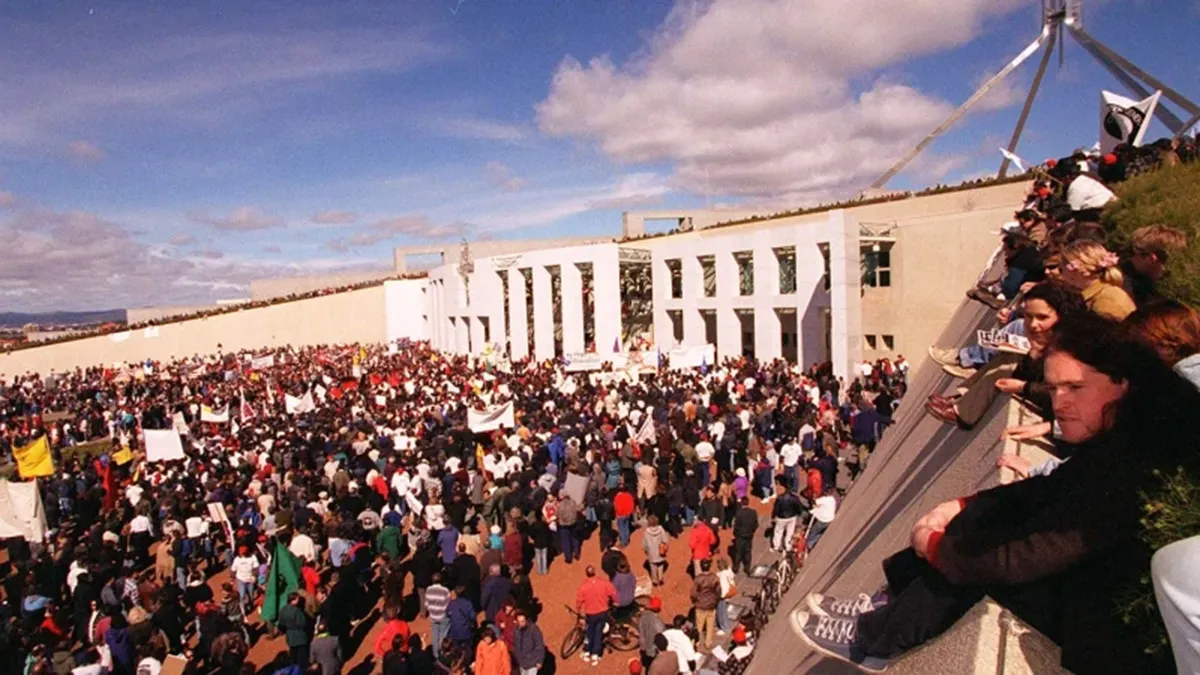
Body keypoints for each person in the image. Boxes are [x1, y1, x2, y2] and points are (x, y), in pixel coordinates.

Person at [795, 315, 1200, 673]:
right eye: (1054, 387)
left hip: (1121, 640)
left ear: (1122, 382)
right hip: (1116, 597)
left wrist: (937, 545)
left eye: (1075, 387)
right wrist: (963, 504)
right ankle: (887, 609)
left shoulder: (1139, 456)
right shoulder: (1132, 428)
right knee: (981, 522)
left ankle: (873, 640)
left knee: (978, 555)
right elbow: (1050, 489)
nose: (1059, 403)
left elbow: (1021, 557)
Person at [576, 565, 617, 666]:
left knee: (589, 632)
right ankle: (596, 654)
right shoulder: (604, 583)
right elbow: (613, 593)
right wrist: (615, 602)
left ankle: (587, 651)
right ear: (595, 572)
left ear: (586, 574)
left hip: (590, 614)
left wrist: (578, 611)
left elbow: (579, 601)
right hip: (603, 612)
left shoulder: (583, 587)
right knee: (599, 632)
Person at [690, 559, 720, 650]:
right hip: (711, 605)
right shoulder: (714, 578)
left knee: (699, 626)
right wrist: (715, 600)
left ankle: (696, 642)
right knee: (710, 625)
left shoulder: (698, 579)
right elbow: (718, 591)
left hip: (700, 606)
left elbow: (693, 593)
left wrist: (695, 601)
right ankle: (708, 643)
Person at [277, 592, 312, 669]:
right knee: (302, 658)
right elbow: (303, 624)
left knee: (294, 656)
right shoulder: (297, 611)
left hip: (290, 637)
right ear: (293, 600)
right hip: (300, 637)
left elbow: (281, 624)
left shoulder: (283, 609)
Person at [770, 479, 803, 553]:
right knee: (790, 532)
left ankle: (776, 546)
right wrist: (799, 513)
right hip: (792, 517)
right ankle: (788, 546)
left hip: (781, 517)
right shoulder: (795, 498)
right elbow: (799, 507)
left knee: (778, 531)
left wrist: (773, 516)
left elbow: (776, 508)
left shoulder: (780, 498)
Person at [425, 572, 452, 660]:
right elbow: (448, 604)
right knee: (443, 635)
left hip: (433, 616)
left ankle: (436, 654)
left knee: (435, 634)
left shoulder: (428, 589)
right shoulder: (445, 591)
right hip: (443, 615)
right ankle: (442, 652)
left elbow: (426, 604)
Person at [512, 611, 545, 675]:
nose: (521, 623)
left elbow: (539, 645)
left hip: (532, 661)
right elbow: (516, 645)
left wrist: (539, 661)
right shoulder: (516, 630)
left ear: (526, 620)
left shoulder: (534, 629)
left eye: (523, 621)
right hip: (522, 662)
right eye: (519, 621)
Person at [638, 596, 667, 669]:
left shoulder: (642, 617)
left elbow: (641, 635)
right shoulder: (658, 623)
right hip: (654, 652)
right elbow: (662, 638)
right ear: (657, 609)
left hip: (645, 649)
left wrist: (643, 649)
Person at [642, 515, 670, 586]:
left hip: (651, 551)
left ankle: (654, 580)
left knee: (653, 565)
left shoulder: (646, 531)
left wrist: (645, 549)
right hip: (660, 550)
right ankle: (660, 578)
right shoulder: (661, 529)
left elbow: (644, 543)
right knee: (660, 564)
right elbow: (665, 540)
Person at [731, 497, 757, 574]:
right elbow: (756, 524)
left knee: (738, 552)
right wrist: (752, 531)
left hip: (740, 535)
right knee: (748, 551)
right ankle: (747, 568)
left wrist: (736, 534)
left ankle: (736, 567)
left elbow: (736, 526)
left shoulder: (739, 513)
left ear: (742, 503)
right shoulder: (753, 512)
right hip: (749, 535)